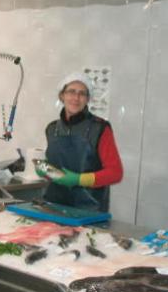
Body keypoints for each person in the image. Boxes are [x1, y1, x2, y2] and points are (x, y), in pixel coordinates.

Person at [36, 72, 123, 212]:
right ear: (62, 96)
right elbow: (57, 169)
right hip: (54, 206)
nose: (76, 98)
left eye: (82, 94)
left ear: (87, 99)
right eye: (71, 92)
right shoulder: (51, 128)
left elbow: (115, 173)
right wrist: (45, 170)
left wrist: (79, 179)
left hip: (89, 210)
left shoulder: (100, 128)